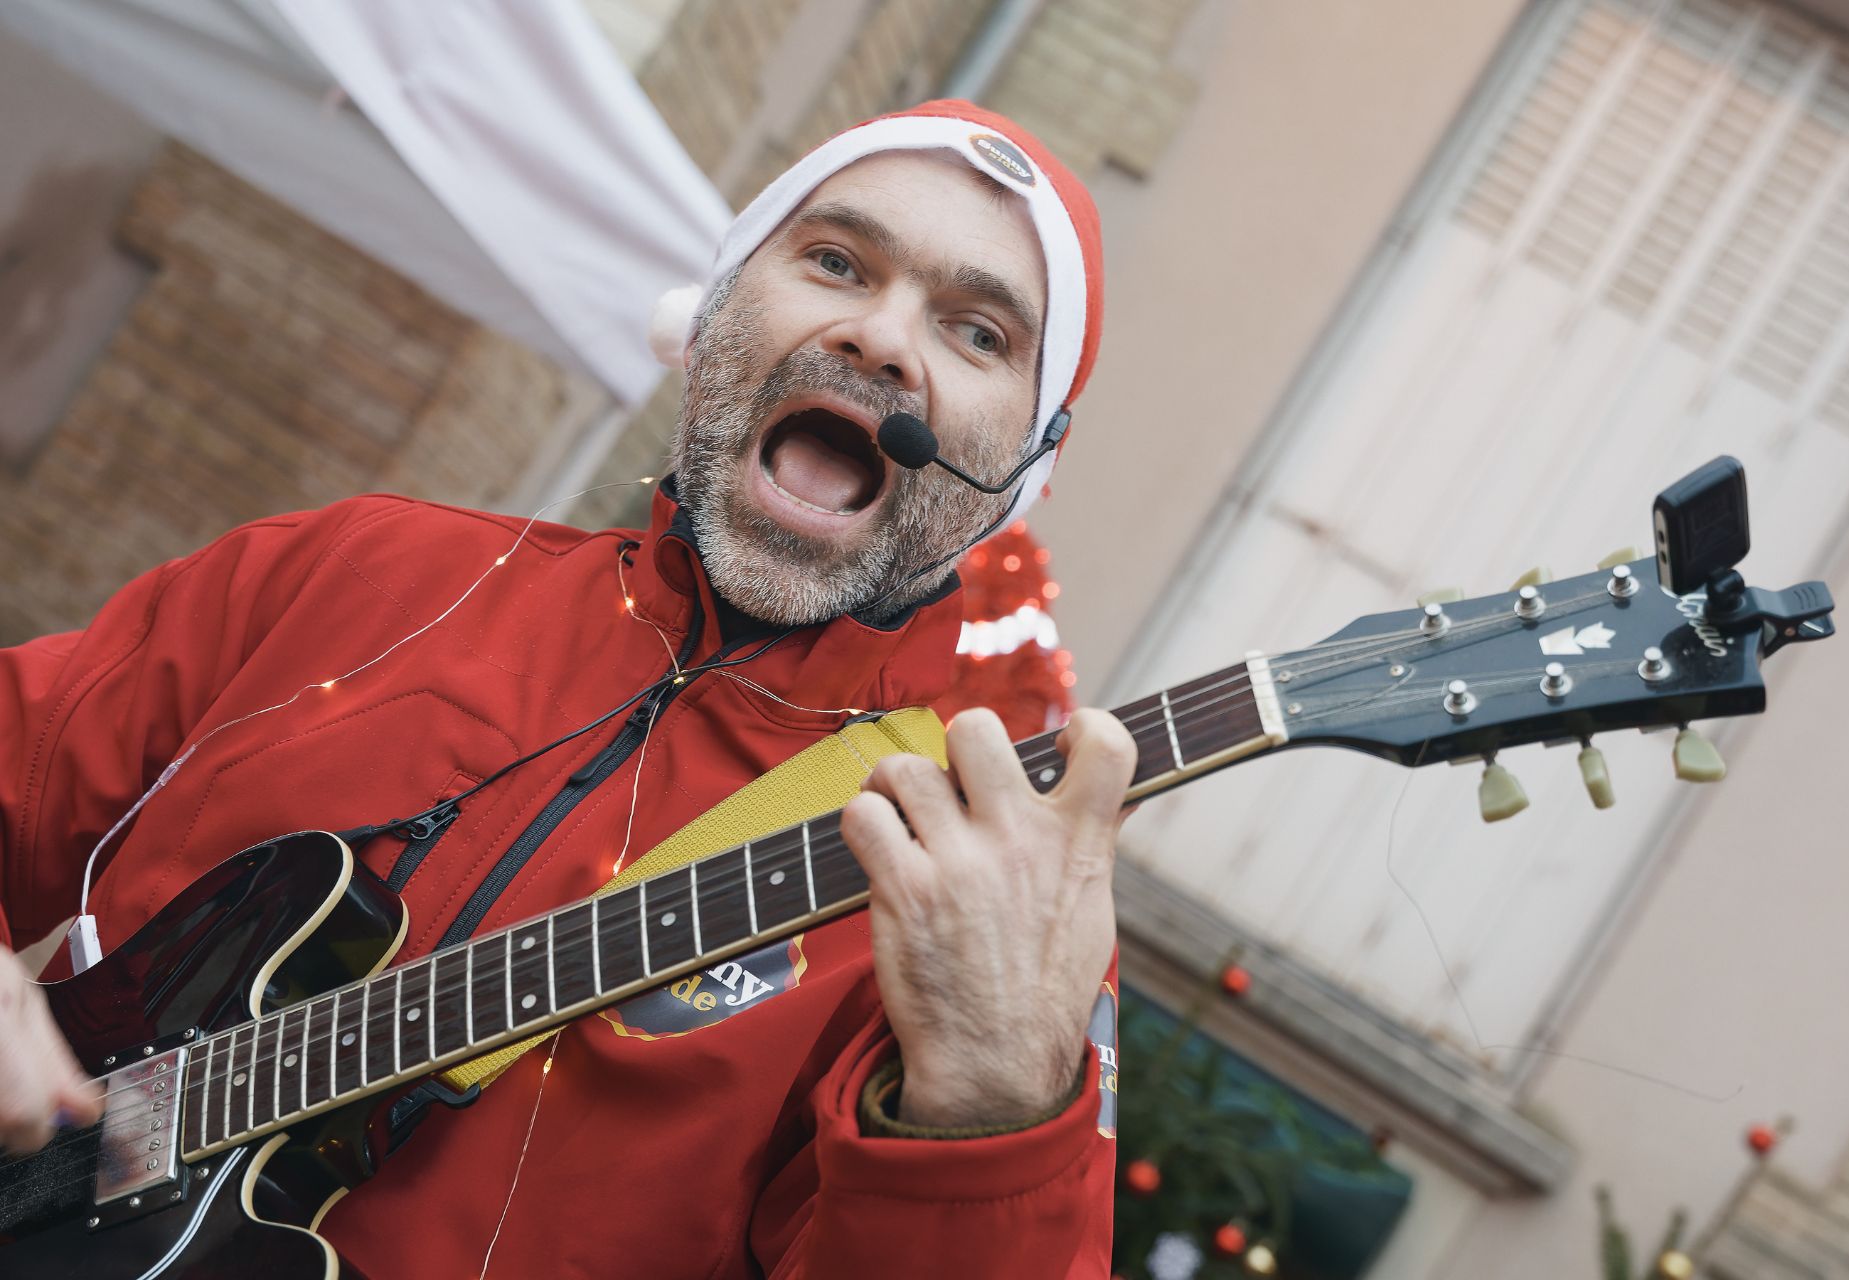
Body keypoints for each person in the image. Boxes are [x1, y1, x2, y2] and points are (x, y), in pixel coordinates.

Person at [0, 100, 1129, 1276]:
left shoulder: (982, 892)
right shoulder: (364, 569)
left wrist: (990, 1115)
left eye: (979, 332)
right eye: (837, 261)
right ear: (713, 313)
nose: (882, 340)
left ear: (1020, 471)